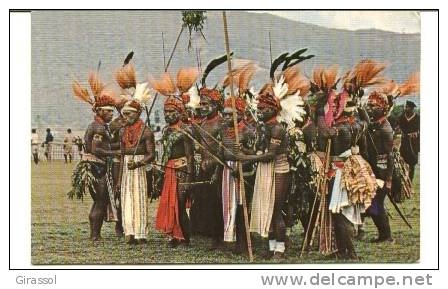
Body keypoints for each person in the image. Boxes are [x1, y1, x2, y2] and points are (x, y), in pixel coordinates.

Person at [150, 71, 195, 247]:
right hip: (169, 169)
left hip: (182, 171)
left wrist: (189, 179)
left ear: (179, 111)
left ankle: (186, 238)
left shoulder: (186, 131)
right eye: (165, 112)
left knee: (181, 204)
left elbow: (190, 156)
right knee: (170, 204)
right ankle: (174, 236)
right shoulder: (166, 131)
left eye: (171, 111)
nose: (168, 115)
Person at [119, 99, 155, 244]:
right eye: (124, 114)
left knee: (139, 199)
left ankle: (141, 234)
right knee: (126, 199)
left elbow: (151, 155)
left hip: (139, 168)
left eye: (128, 114)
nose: (125, 117)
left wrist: (139, 163)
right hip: (127, 167)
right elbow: (122, 155)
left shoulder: (146, 131)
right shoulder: (123, 131)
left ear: (138, 114)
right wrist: (119, 178)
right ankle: (129, 231)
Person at [365, 91, 395, 243]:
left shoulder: (386, 129)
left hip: (382, 173)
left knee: (375, 204)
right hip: (374, 171)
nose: (369, 109)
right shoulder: (375, 125)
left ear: (382, 108)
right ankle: (384, 235)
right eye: (368, 105)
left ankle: (386, 236)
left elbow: (390, 155)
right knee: (373, 204)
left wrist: (388, 180)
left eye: (372, 106)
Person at [397, 100, 419, 181]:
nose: (405, 108)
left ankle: (410, 180)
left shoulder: (418, 117)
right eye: (405, 107)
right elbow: (399, 127)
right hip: (404, 143)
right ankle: (403, 180)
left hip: (413, 143)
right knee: (402, 161)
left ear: (412, 108)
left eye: (407, 107)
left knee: (412, 163)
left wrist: (416, 134)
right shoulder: (402, 117)